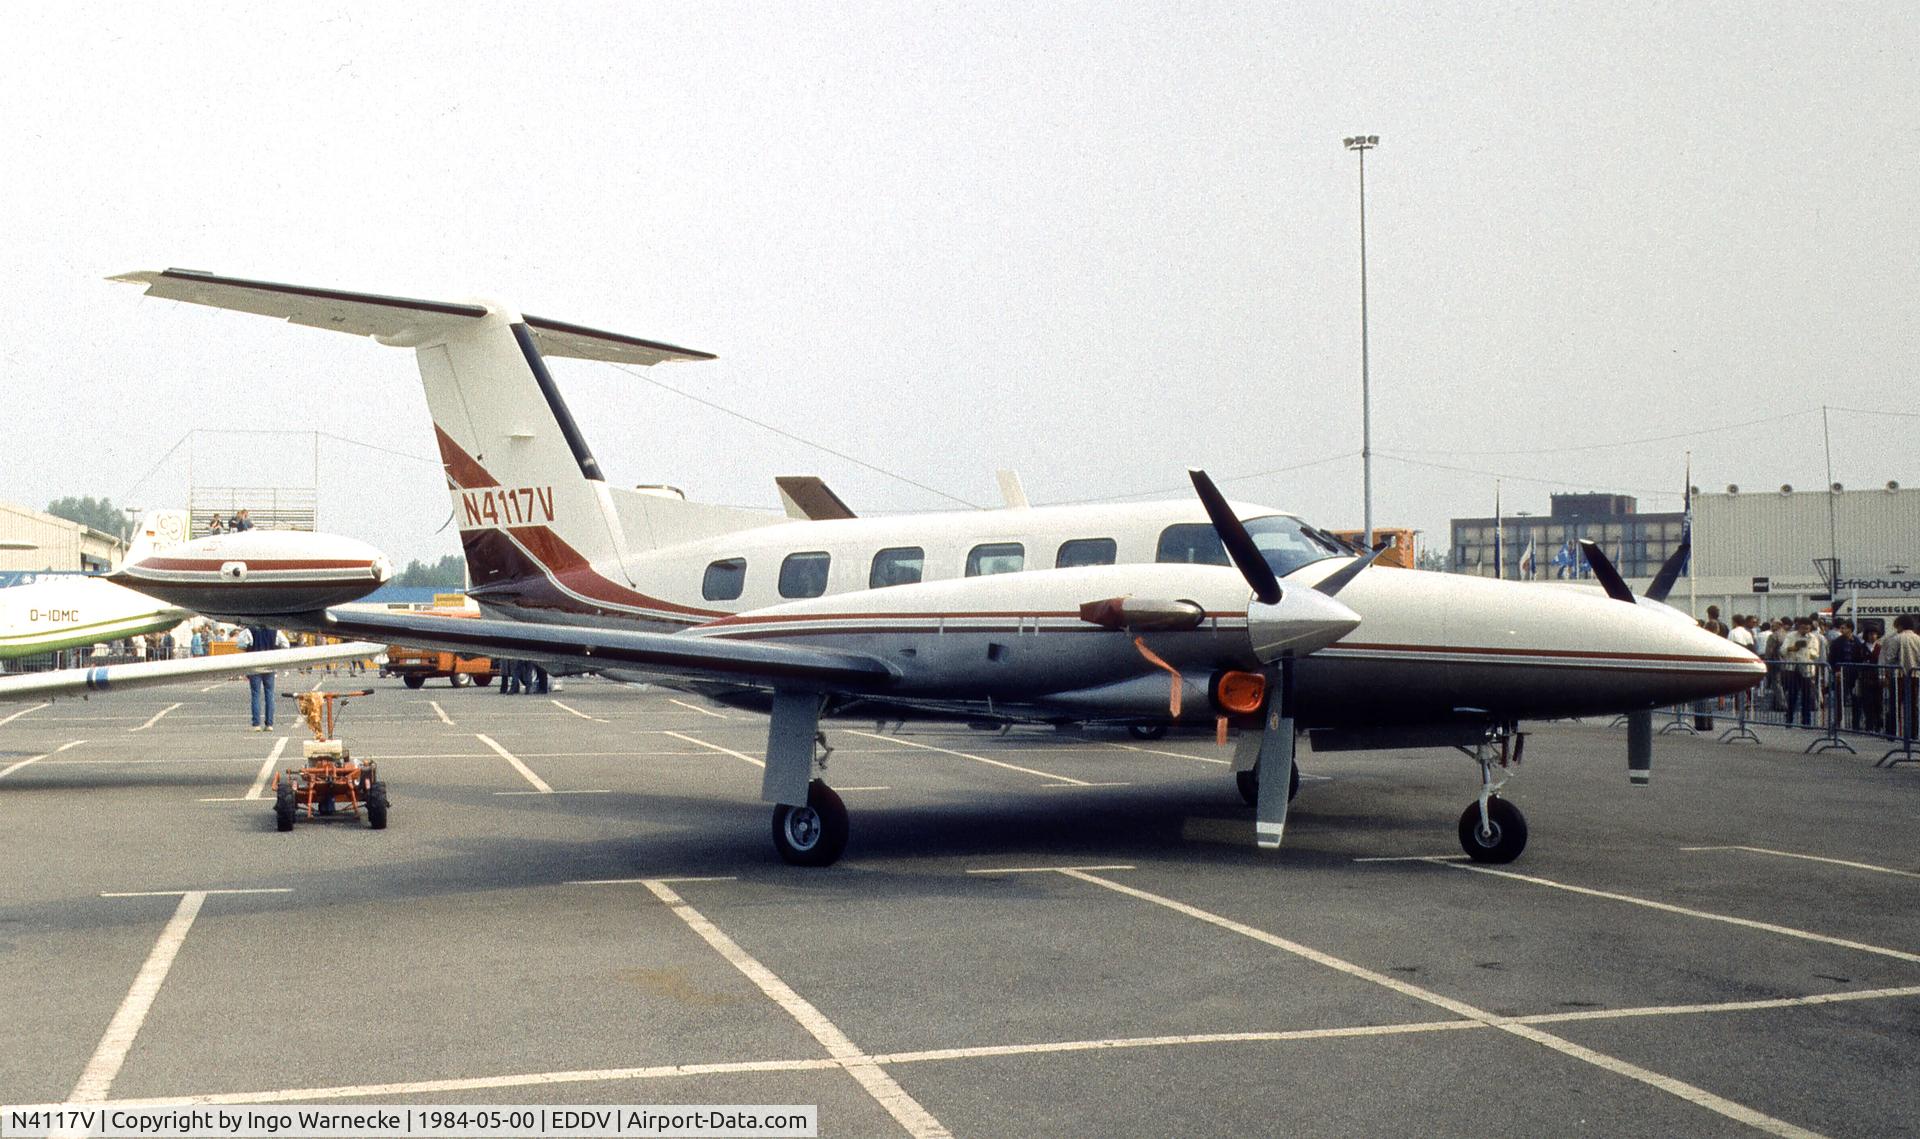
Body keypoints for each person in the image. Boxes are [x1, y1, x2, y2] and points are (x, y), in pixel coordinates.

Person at [235, 623, 289, 730]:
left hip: (254, 665)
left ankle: (256, 724)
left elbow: (240, 644)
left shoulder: (249, 630)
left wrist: (249, 647)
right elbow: (286, 644)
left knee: (255, 695)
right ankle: (269, 724)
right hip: (269, 665)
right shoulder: (275, 630)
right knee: (270, 694)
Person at [1780, 618, 1823, 727]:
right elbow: (1782, 650)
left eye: (1807, 628)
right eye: (1803, 628)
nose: (1805, 630)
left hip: (1807, 669)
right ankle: (1789, 720)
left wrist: (1807, 650)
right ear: (1798, 627)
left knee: (1807, 696)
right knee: (1792, 695)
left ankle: (1806, 721)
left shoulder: (1813, 638)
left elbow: (1816, 654)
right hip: (1793, 668)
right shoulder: (1791, 636)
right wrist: (1793, 648)